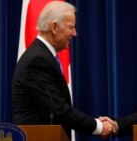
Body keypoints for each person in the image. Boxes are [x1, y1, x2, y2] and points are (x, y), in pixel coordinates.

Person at [12, 1, 113, 139]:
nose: (75, 33)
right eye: (71, 27)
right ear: (54, 27)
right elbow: (58, 110)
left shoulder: (43, 56)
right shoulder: (37, 60)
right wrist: (98, 126)